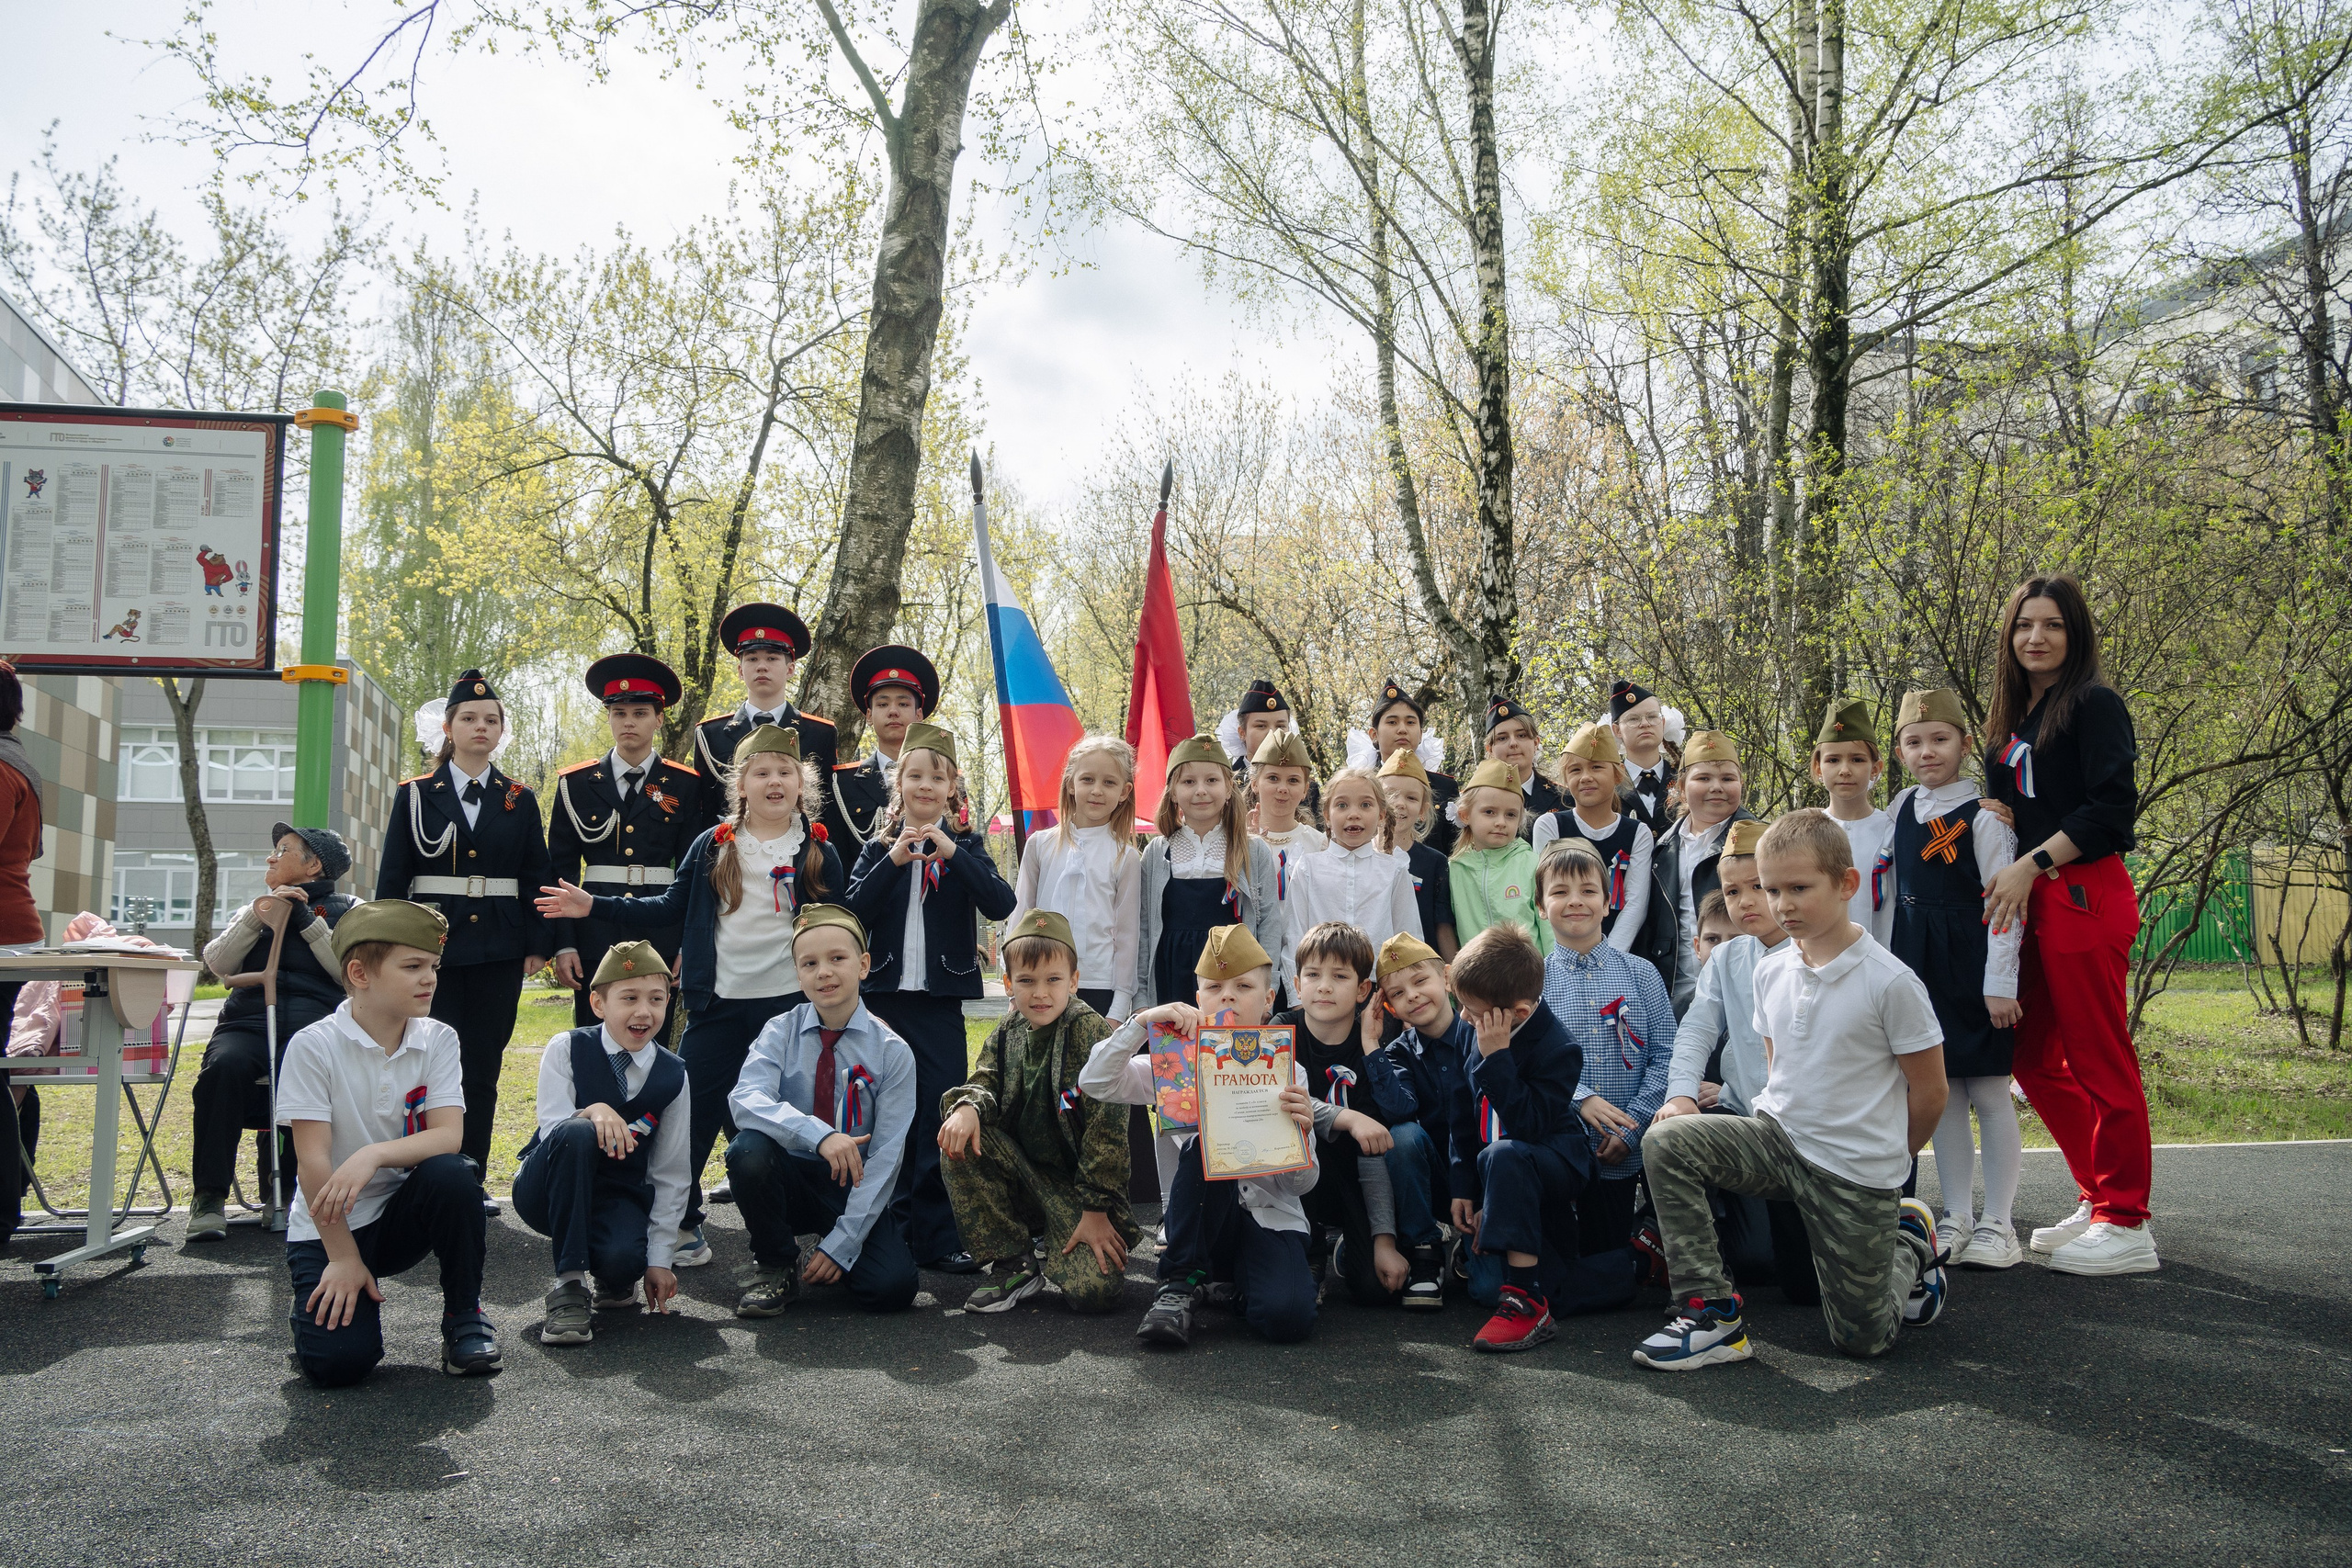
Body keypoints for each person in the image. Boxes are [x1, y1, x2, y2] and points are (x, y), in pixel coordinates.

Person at [1638, 810, 1950, 1371]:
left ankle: (1907, 1240)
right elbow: (1777, 1068)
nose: (1781, 904)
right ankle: (1710, 1314)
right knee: (1669, 1142)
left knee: (1862, 1339)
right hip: (1779, 1144)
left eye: (1797, 888)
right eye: (1772, 888)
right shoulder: (1770, 969)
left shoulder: (1892, 983)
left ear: (1846, 884)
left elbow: (1931, 1093)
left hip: (1853, 1170)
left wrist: (1888, 1158)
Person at [536, 722, 844, 1270]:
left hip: (790, 1012)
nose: (774, 782)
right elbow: (669, 908)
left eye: (785, 772)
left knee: (786, 1122)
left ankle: (794, 1233)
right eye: (761, 773)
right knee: (692, 1117)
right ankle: (679, 1222)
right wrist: (596, 906)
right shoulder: (714, 844)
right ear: (740, 784)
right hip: (719, 1005)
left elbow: (840, 924)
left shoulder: (818, 849)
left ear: (803, 782)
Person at [1979, 573, 2155, 1276]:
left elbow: (2112, 810)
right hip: (2033, 901)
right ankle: (2098, 1193)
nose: (2036, 637)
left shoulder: (2094, 703)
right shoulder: (2018, 718)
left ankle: (2128, 1219)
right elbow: (2029, 801)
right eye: (2024, 625)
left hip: (2083, 892)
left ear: (2074, 632)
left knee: (2098, 1054)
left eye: (2051, 624)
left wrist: (2032, 861)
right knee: (2029, 1055)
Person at [278, 899, 500, 1386]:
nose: (430, 979)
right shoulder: (313, 1045)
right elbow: (312, 1162)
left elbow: (448, 1136)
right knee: (338, 1365)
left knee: (454, 1175)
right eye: (413, 966)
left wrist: (373, 1154)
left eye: (434, 967)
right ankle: (323, 1308)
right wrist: (341, 1257)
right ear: (360, 973)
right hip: (330, 1224)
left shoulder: (438, 1038)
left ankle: (465, 1316)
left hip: (399, 1213)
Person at [1080, 924, 1320, 1349]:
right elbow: (1095, 1082)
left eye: (1243, 986)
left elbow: (1300, 1186)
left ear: (1268, 1001)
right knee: (1206, 1143)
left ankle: (1225, 1284)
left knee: (1288, 1319)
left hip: (1271, 1215)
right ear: (1198, 1001)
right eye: (1214, 987)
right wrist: (1141, 1024)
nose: (1227, 996)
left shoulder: (1288, 1072)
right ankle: (1177, 1286)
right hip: (1198, 1226)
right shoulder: (1174, 1065)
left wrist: (1302, 1142)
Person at [842, 720, 1017, 1274]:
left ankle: (939, 1235)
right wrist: (895, 860)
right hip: (885, 1001)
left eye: (935, 777)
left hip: (941, 1002)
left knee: (939, 1114)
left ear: (951, 787)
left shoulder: (966, 845)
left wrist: (954, 855)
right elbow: (852, 913)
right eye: (914, 775)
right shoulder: (877, 847)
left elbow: (1000, 902)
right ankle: (886, 1229)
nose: (924, 786)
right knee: (886, 1117)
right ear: (900, 784)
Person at [376, 669, 553, 1211]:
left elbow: (535, 875)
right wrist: (387, 948)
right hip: (430, 951)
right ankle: (416, 1176)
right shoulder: (413, 796)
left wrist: (539, 943)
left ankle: (467, 1177)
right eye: (470, 718)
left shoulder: (519, 799)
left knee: (481, 1064)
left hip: (498, 949)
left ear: (502, 733)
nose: (481, 727)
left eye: (491, 720)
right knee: (418, 1062)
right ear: (448, 728)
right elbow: (392, 879)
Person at [722, 905, 920, 1316]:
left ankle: (831, 1244)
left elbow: (885, 1158)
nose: (824, 972)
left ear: (863, 965)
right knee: (747, 1150)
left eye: (837, 958)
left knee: (892, 1289)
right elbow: (745, 1099)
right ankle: (776, 1263)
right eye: (809, 963)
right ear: (797, 974)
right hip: (790, 1177)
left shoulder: (892, 1052)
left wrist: (843, 1245)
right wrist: (820, 1134)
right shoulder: (779, 1031)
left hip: (852, 1185)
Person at [938, 909, 1137, 1314]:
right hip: (1025, 1175)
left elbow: (1108, 1130)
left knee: (1095, 1294)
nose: (1040, 993)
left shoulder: (1089, 1031)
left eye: (1053, 980)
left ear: (1074, 981)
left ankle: (1062, 1236)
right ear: (1009, 984)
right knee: (959, 1133)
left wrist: (1097, 1209)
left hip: (1078, 1191)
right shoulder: (1008, 1030)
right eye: (1026, 981)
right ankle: (1015, 1263)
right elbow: (986, 1079)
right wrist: (968, 1107)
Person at [1888, 689, 2025, 1269]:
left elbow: (2005, 904)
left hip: (1973, 957)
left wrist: (2002, 983)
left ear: (1965, 745)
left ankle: (2001, 1222)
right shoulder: (1900, 807)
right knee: (1941, 1095)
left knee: (1990, 1089)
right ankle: (1958, 1217)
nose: (1927, 752)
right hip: (1919, 963)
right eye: (1914, 743)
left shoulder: (1985, 817)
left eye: (1940, 740)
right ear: (1899, 752)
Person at [1665, 820, 1818, 1303]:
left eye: (1759, 887)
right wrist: (1681, 1095)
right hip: (1749, 1127)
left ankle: (1901, 1236)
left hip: (1815, 1136)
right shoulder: (1729, 957)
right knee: (1668, 1139)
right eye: (1733, 891)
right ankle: (1703, 1296)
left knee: (1805, 1288)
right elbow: (1695, 1029)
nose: (1746, 901)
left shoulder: (1817, 950)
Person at [187, 824, 359, 1240]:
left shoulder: (350, 910)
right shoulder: (255, 906)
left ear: (314, 865)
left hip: (312, 1025)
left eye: (283, 850)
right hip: (246, 1022)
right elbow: (219, 963)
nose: (271, 857)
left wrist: (306, 921)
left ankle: (281, 1191)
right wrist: (256, 915)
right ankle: (209, 1195)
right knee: (222, 1069)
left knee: (298, 1074)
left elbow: (349, 974)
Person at [514, 941, 690, 1345]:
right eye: (628, 998)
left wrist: (660, 1259)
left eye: (657, 999)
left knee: (624, 1261)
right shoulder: (568, 1048)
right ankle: (570, 1286)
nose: (644, 1011)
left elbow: (671, 1170)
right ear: (598, 1004)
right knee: (576, 1132)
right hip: (546, 1188)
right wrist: (591, 1110)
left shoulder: (674, 1074)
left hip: (615, 1193)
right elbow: (551, 1128)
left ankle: (612, 1275)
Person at [1536, 840, 1676, 1314]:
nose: (1575, 900)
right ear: (1541, 905)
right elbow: (1531, 1059)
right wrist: (1581, 1099)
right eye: (1560, 891)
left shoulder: (1641, 974)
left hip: (1622, 1148)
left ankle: (1633, 1257)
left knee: (1600, 1258)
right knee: (1566, 1252)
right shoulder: (1533, 981)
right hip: (1560, 1144)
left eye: (1588, 890)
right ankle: (1615, 1267)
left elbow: (1665, 1054)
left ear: (1608, 900)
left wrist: (1632, 1124)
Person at [1445, 922, 1594, 1353]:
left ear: (1519, 1013)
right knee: (1484, 1291)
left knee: (1506, 1153)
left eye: (1473, 1010)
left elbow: (1528, 1126)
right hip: (1500, 1170)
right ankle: (1517, 1279)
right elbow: (1461, 1108)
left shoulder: (1558, 1047)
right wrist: (1464, 1187)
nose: (1464, 1018)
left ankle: (1526, 1302)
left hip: (1553, 1161)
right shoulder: (1467, 1025)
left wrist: (1498, 1059)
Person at [547, 653, 699, 1029]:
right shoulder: (576, 784)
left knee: (653, 1028)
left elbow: (692, 872)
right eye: (619, 713)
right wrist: (564, 943)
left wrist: (686, 943)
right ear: (609, 718)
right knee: (593, 1027)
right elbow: (559, 871)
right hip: (593, 923)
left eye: (640, 713)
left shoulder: (685, 784)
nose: (628, 722)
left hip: (660, 923)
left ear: (659, 719)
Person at [1275, 920, 1419, 1308]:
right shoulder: (1280, 1031)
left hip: (1351, 1176)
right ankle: (1308, 1251)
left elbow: (1373, 1152)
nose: (1323, 986)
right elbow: (1288, 1100)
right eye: (1313, 975)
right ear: (1297, 982)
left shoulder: (1369, 1044)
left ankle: (1350, 1246)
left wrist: (1384, 1242)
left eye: (1339, 976)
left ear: (1362, 989)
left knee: (1376, 1289)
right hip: (1288, 1179)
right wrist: (1347, 1117)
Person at [1135, 733, 1285, 1011]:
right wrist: (1142, 997)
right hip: (1171, 975)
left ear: (1229, 789)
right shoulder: (1157, 853)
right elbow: (1144, 930)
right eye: (1189, 781)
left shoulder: (1253, 851)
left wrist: (1267, 990)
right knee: (1177, 1054)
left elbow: (1269, 928)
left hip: (1231, 981)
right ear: (1173, 791)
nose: (1201, 790)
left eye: (1212, 780)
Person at [1008, 735, 1142, 1021]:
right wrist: (1015, 986)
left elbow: (1128, 936)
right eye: (1087, 780)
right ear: (1070, 783)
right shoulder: (1039, 845)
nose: (1097, 790)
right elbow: (1020, 915)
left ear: (1124, 791)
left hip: (1098, 985)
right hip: (1041, 982)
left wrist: (1119, 1007)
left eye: (1109, 782)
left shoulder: (1126, 857)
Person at [1533, 722, 1674, 983]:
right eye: (1575, 770)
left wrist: (1606, 960)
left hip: (1620, 959)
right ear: (1566, 780)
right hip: (1562, 959)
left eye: (1596, 767)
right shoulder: (1550, 825)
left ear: (1617, 774)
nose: (1585, 776)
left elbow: (1635, 903)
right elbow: (1546, 895)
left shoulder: (1638, 832)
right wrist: (1567, 958)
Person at [1373, 932, 1466, 1309]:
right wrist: (1371, 1044)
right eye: (1396, 993)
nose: (1411, 995)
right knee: (1404, 1135)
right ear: (1390, 1008)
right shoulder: (1397, 1053)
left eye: (1420, 981)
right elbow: (1399, 1111)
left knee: (1489, 1289)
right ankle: (1424, 1253)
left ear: (1446, 978)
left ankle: (1469, 1248)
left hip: (1478, 1182)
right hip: (1428, 1185)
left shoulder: (1481, 1036)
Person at [691, 603, 837, 833]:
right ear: (740, 671)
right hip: (730, 855)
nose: (761, 667)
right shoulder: (710, 735)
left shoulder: (821, 733)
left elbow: (827, 810)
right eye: (751, 659)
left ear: (790, 669)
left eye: (772, 658)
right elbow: (704, 812)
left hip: (798, 856)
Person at [1283, 767, 1420, 986]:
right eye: (1342, 805)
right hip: (1320, 989)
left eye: (1365, 805)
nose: (1353, 814)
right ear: (1327, 816)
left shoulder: (1393, 871)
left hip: (1379, 990)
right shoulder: (1307, 868)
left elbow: (1409, 937)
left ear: (1381, 815)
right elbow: (1294, 936)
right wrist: (1298, 997)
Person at [1650, 730, 1754, 1014]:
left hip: (1743, 989)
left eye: (1728, 779)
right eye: (1703, 778)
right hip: (1676, 991)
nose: (1716, 787)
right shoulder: (1661, 849)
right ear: (1681, 788)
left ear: (1741, 785)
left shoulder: (1761, 843)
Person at [820, 645, 941, 853]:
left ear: (919, 715)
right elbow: (835, 860)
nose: (893, 711)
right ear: (869, 715)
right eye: (883, 705)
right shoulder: (842, 784)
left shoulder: (945, 781)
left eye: (903, 705)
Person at [1247, 731, 1326, 987]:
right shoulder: (1239, 843)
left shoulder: (1319, 844)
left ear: (1305, 789)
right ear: (1255, 783)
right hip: (1249, 958)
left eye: (1293, 780)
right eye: (1272, 778)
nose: (1282, 788)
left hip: (1306, 961)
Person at [1813, 699, 1894, 938]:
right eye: (1833, 760)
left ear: (1875, 768)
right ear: (1818, 768)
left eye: (1857, 759)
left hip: (1882, 955)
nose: (1845, 770)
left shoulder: (1892, 829)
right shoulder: (1806, 830)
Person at [1449, 759, 1548, 954]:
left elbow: (1548, 927)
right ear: (1465, 815)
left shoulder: (1533, 864)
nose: (1501, 822)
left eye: (1511, 815)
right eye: (1490, 812)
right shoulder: (1454, 868)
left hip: (1530, 977)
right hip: (1477, 978)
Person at [1360, 680, 1457, 853]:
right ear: (1374, 734)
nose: (1402, 729)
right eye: (1392, 722)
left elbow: (1453, 848)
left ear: (1420, 734)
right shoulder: (1360, 784)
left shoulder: (1444, 786)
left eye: (1411, 722)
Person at [1378, 750, 1456, 960]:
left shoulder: (1435, 862)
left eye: (1411, 798)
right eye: (1391, 794)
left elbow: (1442, 926)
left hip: (1418, 970)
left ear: (1423, 810)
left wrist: (1453, 978)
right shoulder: (1358, 856)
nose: (1400, 803)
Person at [1224, 677, 1323, 820]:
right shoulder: (1226, 782)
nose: (1273, 733)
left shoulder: (1309, 787)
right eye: (1261, 726)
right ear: (1242, 733)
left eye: (1281, 726)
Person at [1484, 698, 1566, 835]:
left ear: (1536, 743)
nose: (1513, 743)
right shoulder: (1474, 801)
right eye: (1502, 738)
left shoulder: (1564, 798)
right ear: (1490, 749)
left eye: (1521, 735)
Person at [1610, 680, 1679, 835]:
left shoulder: (1685, 777)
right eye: (1633, 719)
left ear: (1662, 723)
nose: (1645, 724)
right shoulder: (1608, 784)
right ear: (1617, 730)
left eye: (1652, 716)